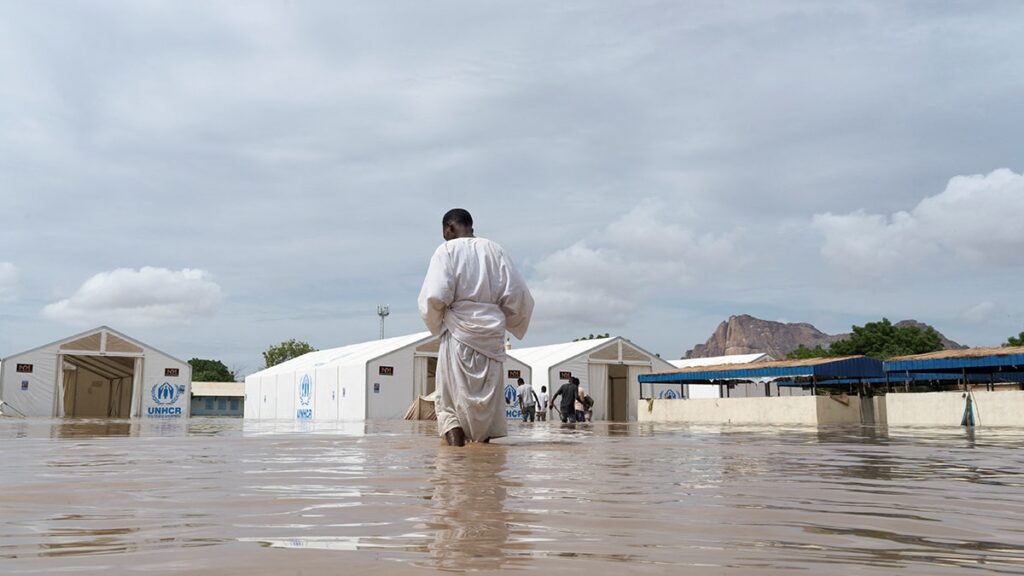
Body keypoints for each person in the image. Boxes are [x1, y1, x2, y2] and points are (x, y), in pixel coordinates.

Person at [418, 208, 534, 446]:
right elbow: (518, 295)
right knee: (485, 408)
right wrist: (510, 321)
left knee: (450, 406)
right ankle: (483, 465)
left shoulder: (446, 250)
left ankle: (456, 462)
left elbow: (435, 294)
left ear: (450, 228)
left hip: (458, 333)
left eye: (444, 232)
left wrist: (438, 323)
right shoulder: (495, 250)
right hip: (492, 337)